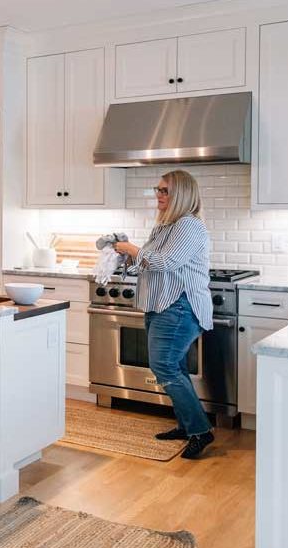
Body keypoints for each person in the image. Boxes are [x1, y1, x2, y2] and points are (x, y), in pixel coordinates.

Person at [114, 170, 214, 459]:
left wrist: (134, 249)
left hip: (180, 306)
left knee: (165, 367)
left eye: (165, 190)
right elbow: (148, 264)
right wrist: (128, 258)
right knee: (175, 368)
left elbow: (166, 262)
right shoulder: (164, 227)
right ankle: (186, 426)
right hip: (161, 305)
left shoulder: (189, 226)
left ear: (181, 194)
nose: (158, 194)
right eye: (157, 189)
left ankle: (200, 431)